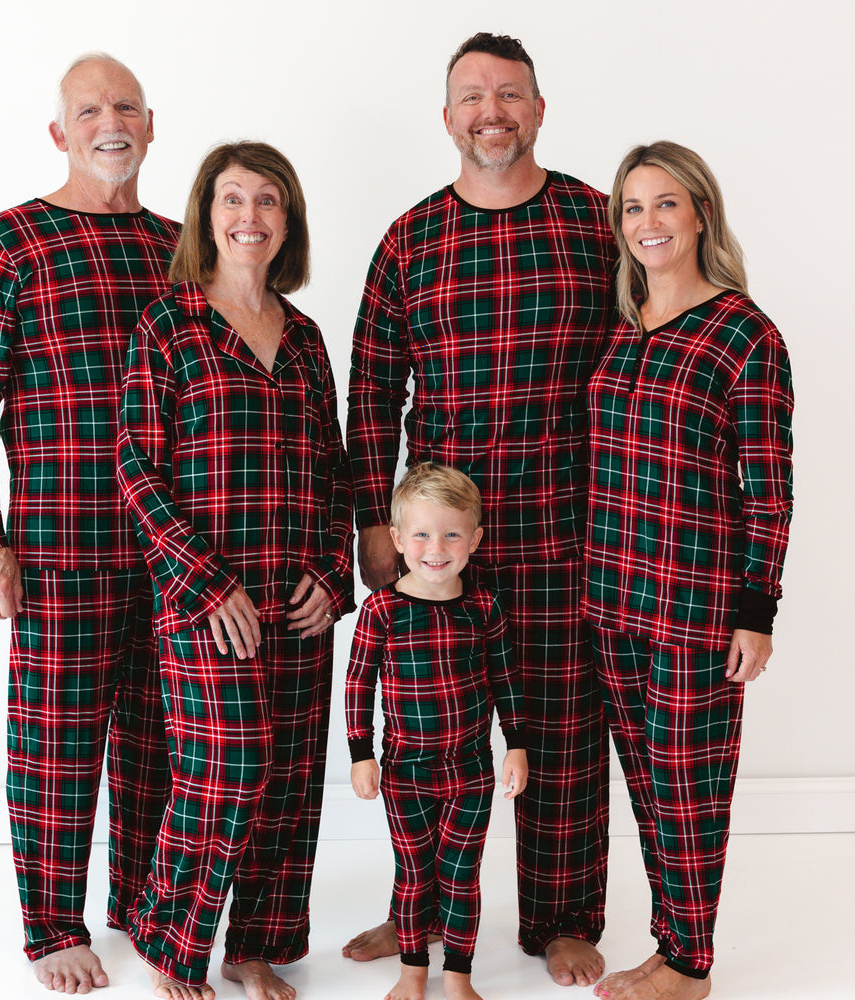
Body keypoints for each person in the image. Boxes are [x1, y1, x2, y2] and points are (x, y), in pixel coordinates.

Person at [345, 31, 614, 987]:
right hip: (435, 541)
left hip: (563, 525)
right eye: (471, 95)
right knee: (423, 739)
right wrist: (376, 528)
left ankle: (563, 917)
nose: (490, 111)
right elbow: (372, 389)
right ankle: (411, 916)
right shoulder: (411, 239)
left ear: (539, 110)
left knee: (561, 727)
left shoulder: (594, 221)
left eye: (510, 93)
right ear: (447, 116)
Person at [0, 53, 178, 994]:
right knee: (56, 741)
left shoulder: (182, 245)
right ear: (60, 132)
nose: (109, 122)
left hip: (171, 547)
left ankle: (142, 905)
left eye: (125, 106)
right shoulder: (13, 239)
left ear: (152, 125)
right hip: (57, 548)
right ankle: (51, 927)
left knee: (163, 738)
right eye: (90, 110)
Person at [117, 141, 354, 1000]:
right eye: (231, 199)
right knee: (226, 768)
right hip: (206, 600)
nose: (248, 216)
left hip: (297, 603)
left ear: (286, 221)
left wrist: (334, 575)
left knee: (289, 777)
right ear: (205, 215)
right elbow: (137, 470)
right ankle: (172, 942)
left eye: (267, 201)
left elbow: (334, 469)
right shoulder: (169, 325)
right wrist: (208, 584)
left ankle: (254, 943)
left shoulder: (305, 337)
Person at [584, 141, 793, 1000]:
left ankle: (691, 965)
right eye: (633, 208)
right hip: (609, 597)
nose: (648, 223)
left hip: (696, 609)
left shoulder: (745, 334)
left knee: (691, 789)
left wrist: (757, 612)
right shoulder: (621, 330)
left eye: (665, 204)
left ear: (700, 212)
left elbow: (769, 488)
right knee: (646, 785)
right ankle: (672, 942)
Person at [346, 463, 529, 1000]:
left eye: (451, 533)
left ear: (474, 538)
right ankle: (411, 974)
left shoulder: (483, 608)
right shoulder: (381, 611)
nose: (437, 546)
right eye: (422, 533)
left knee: (460, 876)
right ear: (398, 539)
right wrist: (361, 754)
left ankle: (459, 978)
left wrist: (514, 746)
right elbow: (358, 685)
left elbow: (506, 681)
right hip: (405, 770)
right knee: (413, 875)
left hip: (470, 769)